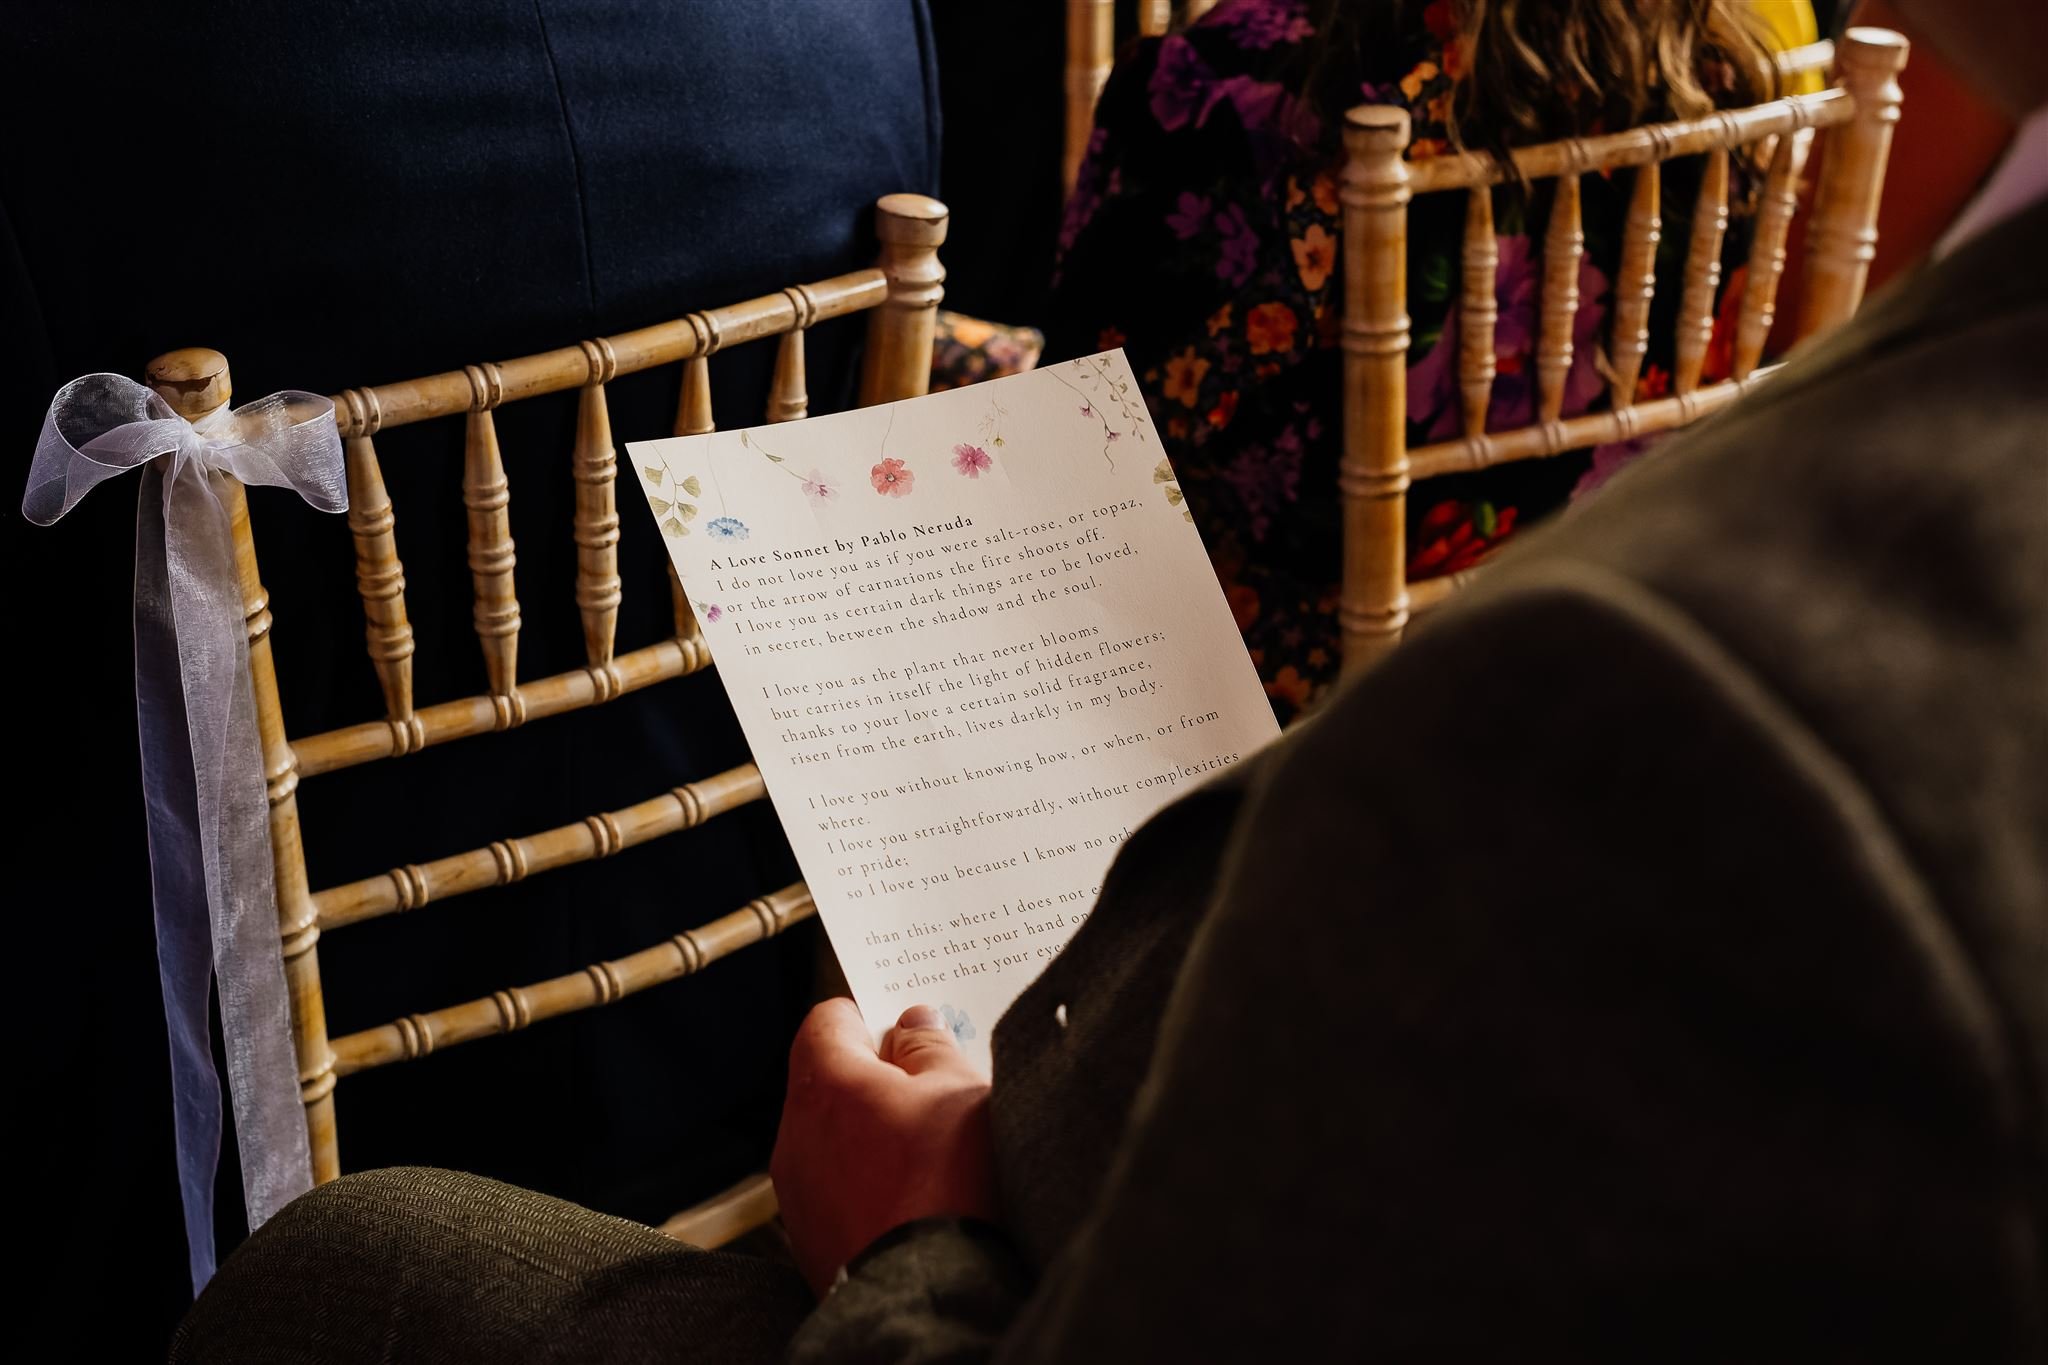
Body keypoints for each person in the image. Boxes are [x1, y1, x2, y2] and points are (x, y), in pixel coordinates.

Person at [174, 0, 2045, 1358]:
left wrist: (916, 1253)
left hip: (1217, 690)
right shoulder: (1754, 53)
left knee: (338, 1272)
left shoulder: (1231, 84)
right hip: (1416, 620)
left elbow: (1132, 432)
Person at [1047, 0, 1816, 720]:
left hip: (1266, 690)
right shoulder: (1717, 66)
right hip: (1605, 638)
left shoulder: (1259, 75)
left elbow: (1084, 435)